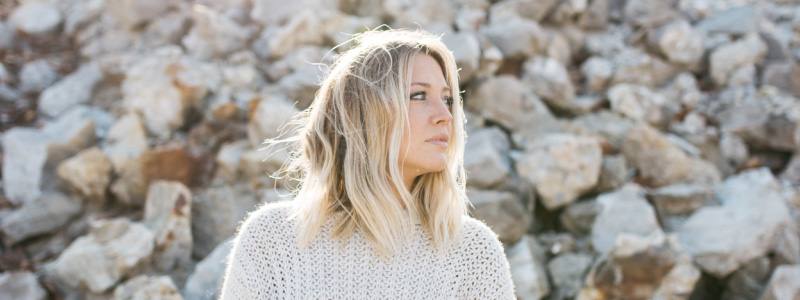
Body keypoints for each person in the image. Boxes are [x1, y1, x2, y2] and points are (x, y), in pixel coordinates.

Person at [219, 28, 516, 299]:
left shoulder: (473, 255)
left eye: (448, 99)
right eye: (419, 95)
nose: (445, 115)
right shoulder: (272, 241)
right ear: (362, 114)